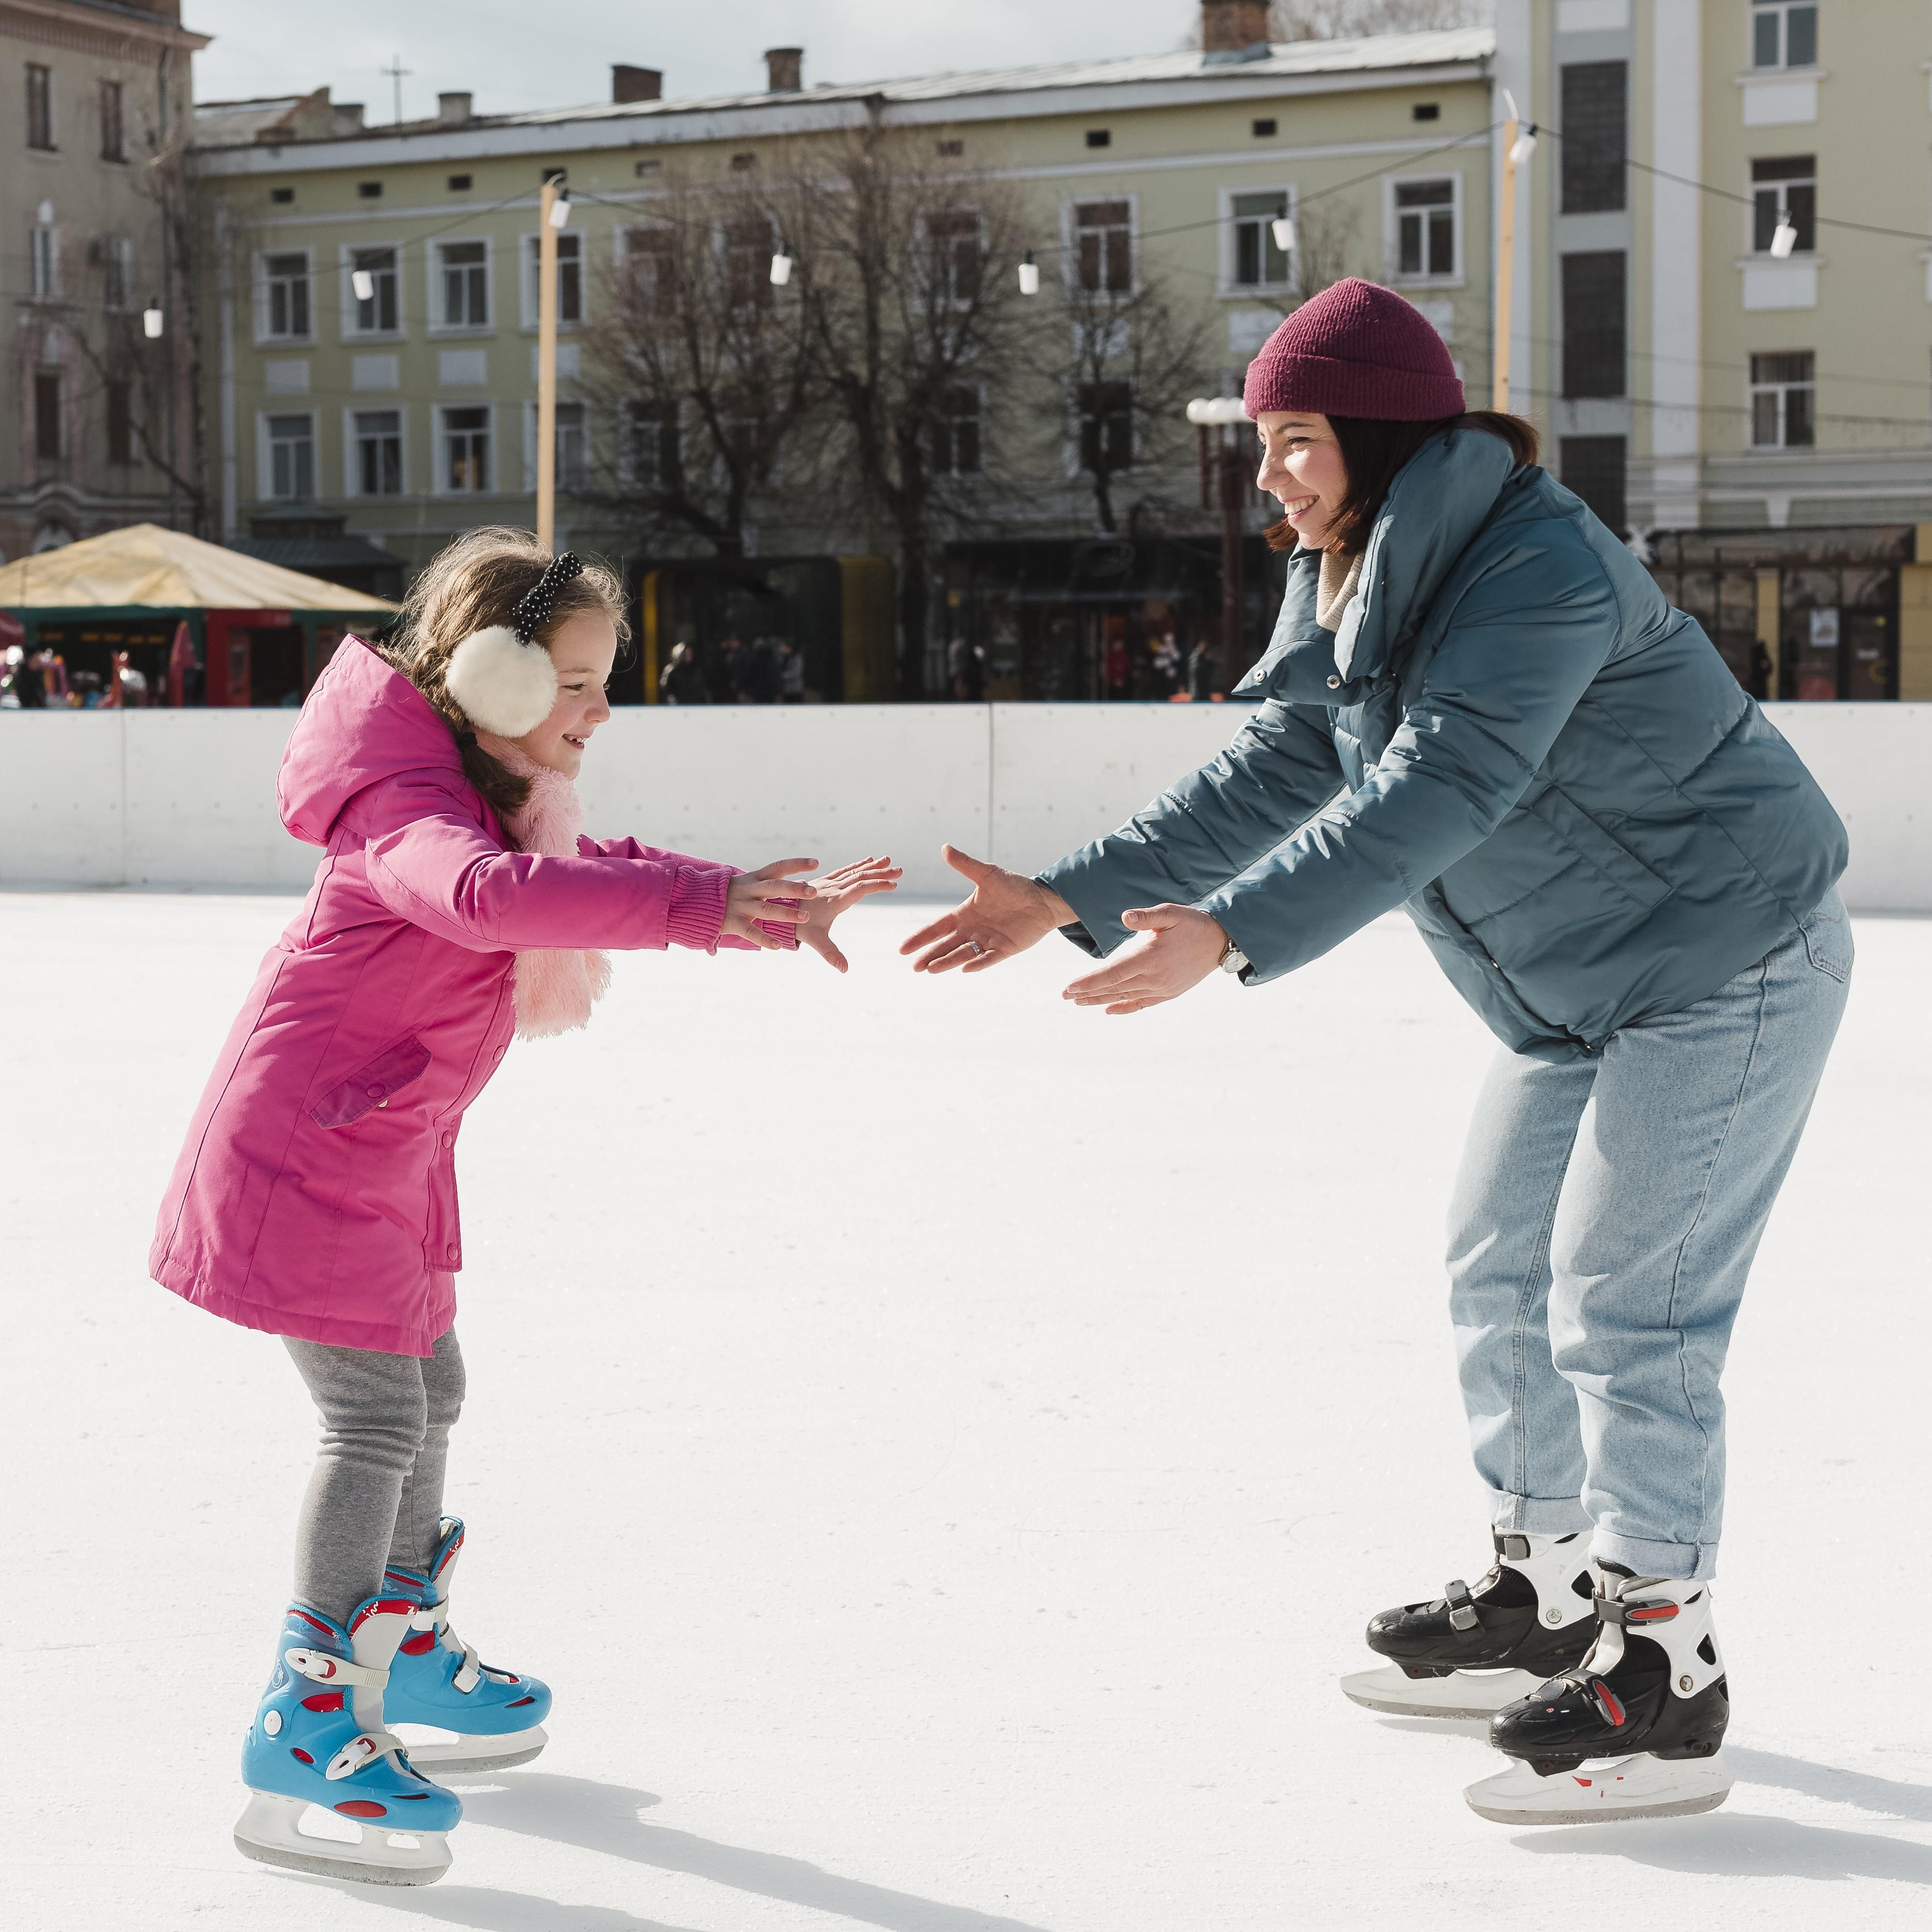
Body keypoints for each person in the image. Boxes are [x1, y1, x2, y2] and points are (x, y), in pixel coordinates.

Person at [900, 280, 1849, 1828]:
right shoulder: (1355, 569)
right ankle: (1543, 1595)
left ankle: (1667, 1674)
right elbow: (1287, 759)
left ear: (1378, 434)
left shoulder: (1534, 564)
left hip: (1726, 953)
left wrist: (1229, 933)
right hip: (1572, 986)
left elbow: (1440, 788)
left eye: (1290, 440)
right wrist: (1067, 895)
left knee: (1630, 1304)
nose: (1266, 472)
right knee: (1497, 1265)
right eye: (1261, 443)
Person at [150, 528, 899, 1887]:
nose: (602, 709)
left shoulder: (468, 786)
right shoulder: (404, 811)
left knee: (428, 1390)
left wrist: (743, 906)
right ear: (488, 678)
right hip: (301, 1158)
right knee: (373, 1412)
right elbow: (489, 900)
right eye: (576, 680)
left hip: (372, 1148)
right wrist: (698, 903)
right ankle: (307, 1711)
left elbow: (570, 862)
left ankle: (401, 1642)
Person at [658, 638, 706, 705]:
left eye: (691, 653)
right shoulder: (671, 670)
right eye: (687, 654)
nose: (689, 656)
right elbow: (665, 686)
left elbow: (700, 687)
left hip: (694, 705)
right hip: (677, 705)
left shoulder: (696, 670)